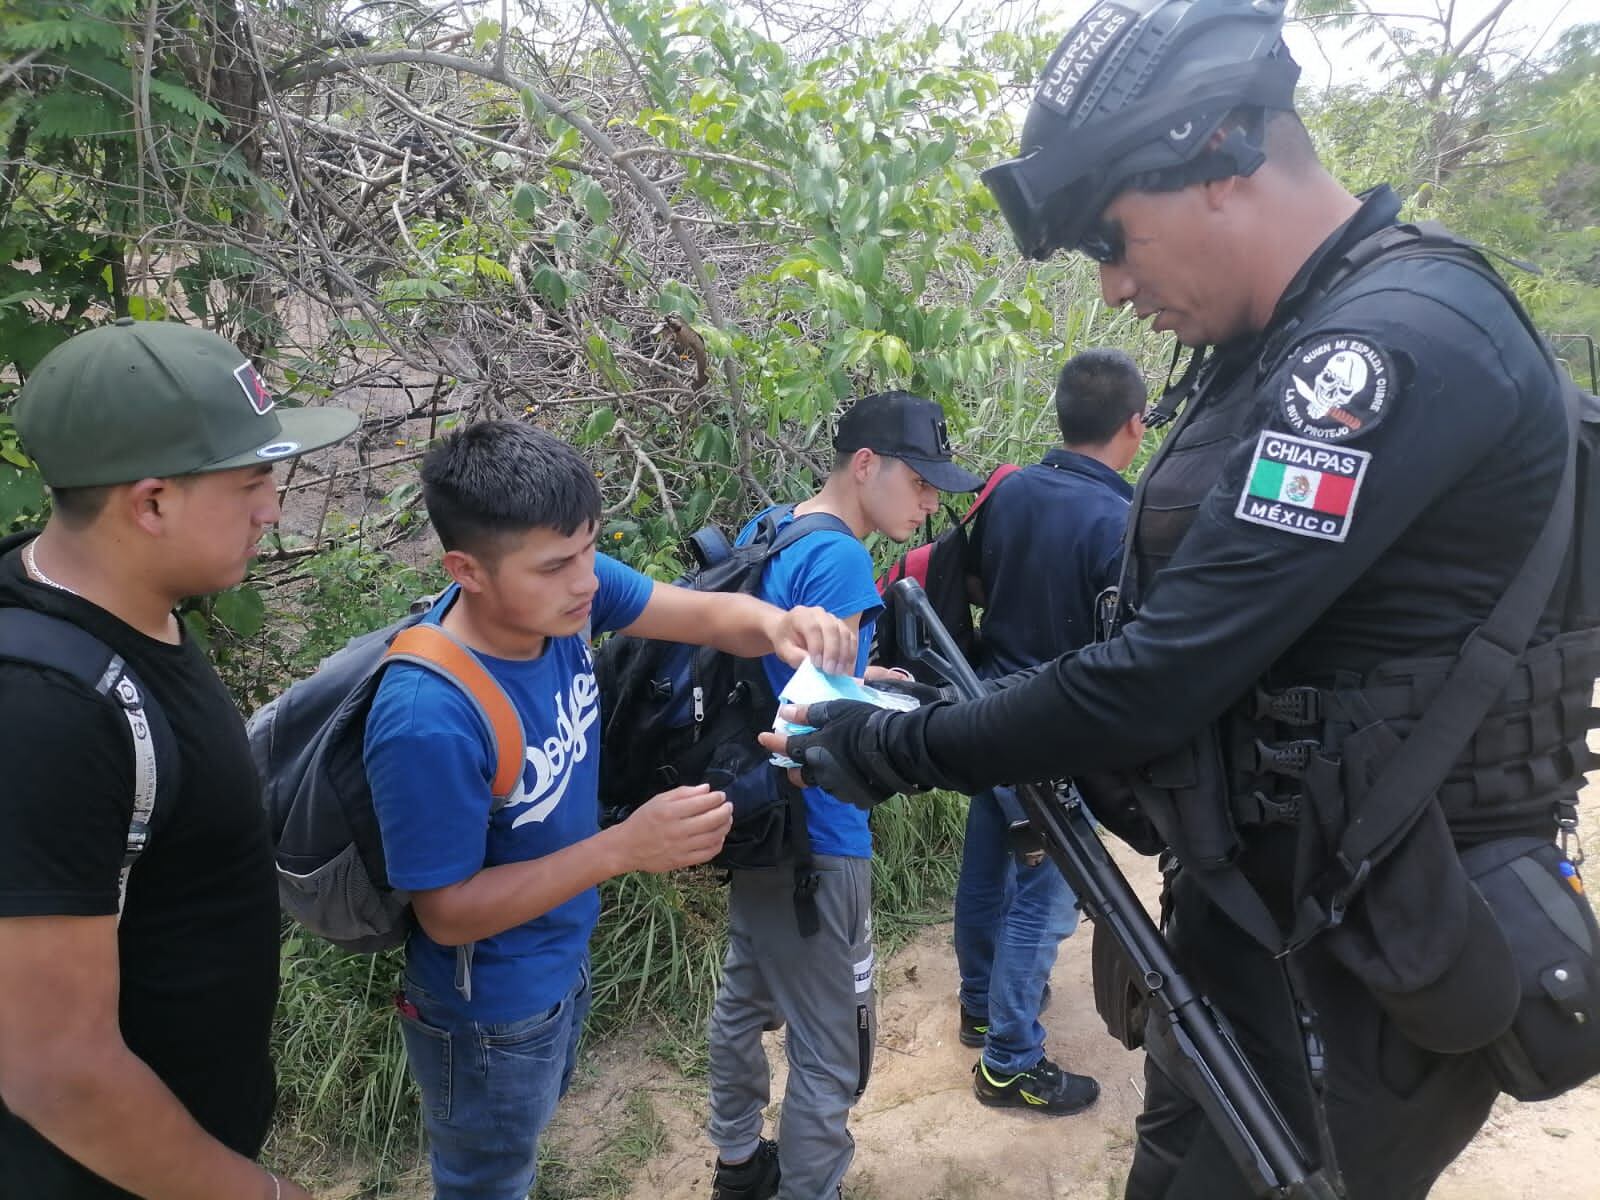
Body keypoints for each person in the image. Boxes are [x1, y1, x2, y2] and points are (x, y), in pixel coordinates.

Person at [762, 1, 1585, 1196]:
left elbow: (1158, 679)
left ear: (1217, 159)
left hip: (1367, 942)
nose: (1108, 290)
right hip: (1262, 925)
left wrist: (893, 748)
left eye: (1111, 237)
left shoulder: (1384, 351)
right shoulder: (1285, 341)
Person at [362, 420, 858, 1200]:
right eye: (558, 564)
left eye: (591, 548)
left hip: (561, 962)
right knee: (485, 1181)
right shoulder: (429, 716)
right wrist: (623, 848)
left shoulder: (560, 603)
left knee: (516, 1156)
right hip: (486, 1007)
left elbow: (699, 614)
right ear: (467, 570)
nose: (587, 580)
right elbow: (447, 914)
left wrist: (776, 624)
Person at [0, 318, 358, 1200]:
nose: (273, 508)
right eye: (252, 482)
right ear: (151, 503)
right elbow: (56, 1067)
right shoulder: (49, 716)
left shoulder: (126, 603)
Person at [707, 390, 982, 1200]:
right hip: (818, 836)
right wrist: (892, 709)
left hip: (752, 818)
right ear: (867, 466)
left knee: (746, 996)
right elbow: (812, 720)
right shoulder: (841, 561)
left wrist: (861, 676)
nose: (931, 500)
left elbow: (782, 670)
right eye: (921, 480)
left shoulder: (775, 526)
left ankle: (736, 1163)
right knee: (833, 1049)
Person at [955, 349, 1145, 1115]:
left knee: (986, 867)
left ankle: (978, 1006)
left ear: (1062, 415)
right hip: (1060, 729)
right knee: (1046, 895)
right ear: (1134, 425)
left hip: (982, 711)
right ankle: (1009, 1060)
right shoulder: (1121, 522)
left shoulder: (1008, 489)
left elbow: (971, 583)